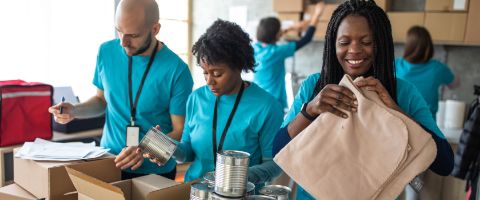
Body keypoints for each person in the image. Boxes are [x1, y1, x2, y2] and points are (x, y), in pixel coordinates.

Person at [271, 0, 454, 199]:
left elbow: (445, 164)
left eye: (366, 42)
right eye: (344, 42)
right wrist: (310, 110)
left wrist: (395, 110)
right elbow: (278, 151)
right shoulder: (314, 87)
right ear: (333, 44)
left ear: (380, 45)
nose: (355, 50)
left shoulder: (403, 92)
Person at [48, 0, 193, 180]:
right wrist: (75, 110)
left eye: (132, 35)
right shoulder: (106, 51)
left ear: (155, 29)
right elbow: (101, 101)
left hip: (155, 172)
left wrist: (145, 150)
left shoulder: (177, 70)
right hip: (109, 161)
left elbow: (180, 131)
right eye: (119, 30)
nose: (123, 42)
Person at [145, 19, 283, 185]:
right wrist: (168, 147)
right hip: (196, 190)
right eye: (205, 73)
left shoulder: (266, 106)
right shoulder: (195, 99)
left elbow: (274, 164)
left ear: (238, 66)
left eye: (217, 74)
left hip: (239, 194)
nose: (209, 81)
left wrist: (238, 176)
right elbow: (187, 152)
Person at [253, 2, 325, 111]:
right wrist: (317, 15)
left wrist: (292, 27)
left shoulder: (255, 47)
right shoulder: (275, 52)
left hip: (258, 98)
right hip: (272, 101)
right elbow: (306, 39)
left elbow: (272, 36)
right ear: (276, 35)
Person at [396, 25, 460, 119]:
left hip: (401, 122)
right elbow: (454, 84)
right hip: (427, 125)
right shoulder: (438, 68)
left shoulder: (396, 65)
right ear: (429, 46)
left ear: (408, 45)